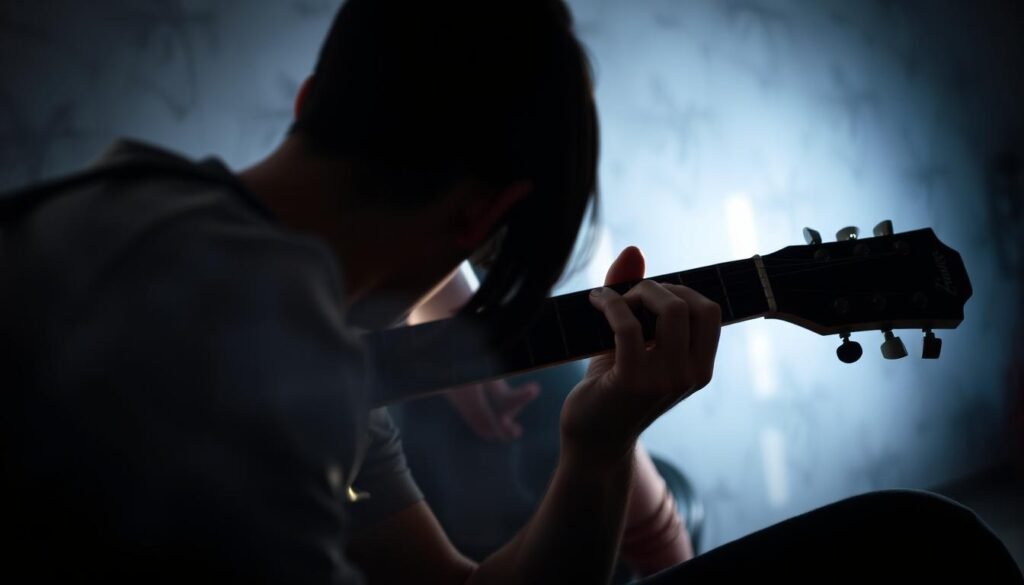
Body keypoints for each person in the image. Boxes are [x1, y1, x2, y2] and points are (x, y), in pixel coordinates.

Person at [1, 0, 1020, 583]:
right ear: (483, 218)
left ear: (311, 100)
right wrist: (605, 442)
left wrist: (591, 436)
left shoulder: (109, 198)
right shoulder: (293, 356)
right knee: (918, 547)